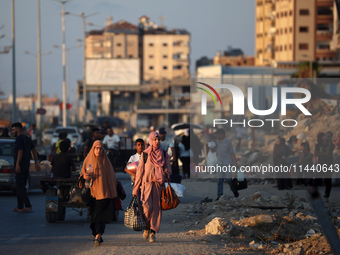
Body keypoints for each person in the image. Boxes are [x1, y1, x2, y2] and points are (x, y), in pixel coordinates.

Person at [132, 132, 172, 243]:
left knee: (156, 209)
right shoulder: (145, 154)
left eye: (158, 139)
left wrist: (165, 173)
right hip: (147, 185)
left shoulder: (163, 153)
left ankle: (153, 233)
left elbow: (168, 169)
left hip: (158, 186)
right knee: (147, 208)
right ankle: (146, 227)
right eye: (154, 139)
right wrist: (136, 189)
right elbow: (140, 172)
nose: (157, 141)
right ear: (150, 140)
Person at [80, 140, 117, 246]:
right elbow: (82, 173)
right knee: (93, 216)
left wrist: (111, 190)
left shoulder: (106, 161)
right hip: (91, 192)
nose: (99, 150)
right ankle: (97, 234)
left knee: (100, 215)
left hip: (103, 193)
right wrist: (84, 176)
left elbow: (112, 176)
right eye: (96, 148)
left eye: (101, 148)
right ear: (93, 149)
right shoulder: (88, 159)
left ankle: (98, 235)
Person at [11, 122, 41, 213]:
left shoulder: (19, 139)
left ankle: (27, 205)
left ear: (18, 129)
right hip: (26, 165)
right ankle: (20, 207)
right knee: (20, 186)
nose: (12, 132)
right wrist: (36, 163)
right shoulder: (27, 138)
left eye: (13, 129)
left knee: (20, 186)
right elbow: (34, 150)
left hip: (20, 166)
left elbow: (20, 151)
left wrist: (17, 164)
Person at [215, 128, 240, 199]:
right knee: (220, 180)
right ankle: (219, 195)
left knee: (228, 179)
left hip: (228, 163)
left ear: (222, 134)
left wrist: (236, 163)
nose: (217, 135)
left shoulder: (228, 142)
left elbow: (232, 153)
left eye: (218, 134)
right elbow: (212, 151)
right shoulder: (216, 142)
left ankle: (234, 190)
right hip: (220, 163)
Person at [314, 131, 335, 199]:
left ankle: (327, 195)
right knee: (317, 180)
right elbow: (315, 154)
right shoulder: (319, 144)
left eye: (329, 136)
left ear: (331, 138)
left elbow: (328, 152)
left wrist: (329, 143)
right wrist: (324, 154)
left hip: (329, 164)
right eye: (326, 136)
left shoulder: (331, 145)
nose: (327, 137)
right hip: (321, 164)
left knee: (328, 180)